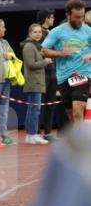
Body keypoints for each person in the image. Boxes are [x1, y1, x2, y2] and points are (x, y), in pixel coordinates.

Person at [42, 0, 91, 125]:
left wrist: (89, 55)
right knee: (70, 114)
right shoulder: (57, 31)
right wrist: (60, 53)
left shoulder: (88, 31)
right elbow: (43, 51)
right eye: (76, 17)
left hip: (82, 73)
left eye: (82, 16)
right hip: (64, 76)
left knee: (77, 111)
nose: (80, 20)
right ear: (68, 15)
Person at [21, 23, 51, 144]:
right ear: (30, 33)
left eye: (39, 32)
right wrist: (45, 61)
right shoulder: (29, 46)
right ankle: (32, 134)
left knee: (32, 108)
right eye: (35, 32)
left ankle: (30, 134)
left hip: (36, 81)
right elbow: (31, 64)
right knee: (35, 109)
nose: (38, 34)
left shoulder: (35, 46)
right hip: (34, 82)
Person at [36, 10, 58, 141]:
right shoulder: (37, 32)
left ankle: (48, 133)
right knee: (38, 104)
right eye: (51, 17)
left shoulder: (52, 33)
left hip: (52, 72)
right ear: (46, 18)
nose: (53, 19)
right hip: (41, 72)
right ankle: (35, 132)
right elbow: (38, 51)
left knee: (50, 104)